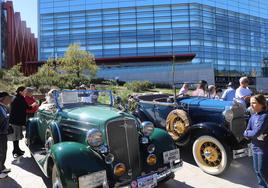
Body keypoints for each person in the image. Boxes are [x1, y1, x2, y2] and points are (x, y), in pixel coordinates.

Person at [243, 94, 268, 188]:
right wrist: (250, 134)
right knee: (257, 171)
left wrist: (251, 134)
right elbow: (246, 132)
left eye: (254, 103)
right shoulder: (253, 117)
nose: (251, 105)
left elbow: (255, 133)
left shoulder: (265, 117)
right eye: (250, 103)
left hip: (264, 149)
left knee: (263, 171)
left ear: (262, 104)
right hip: (254, 147)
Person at [9, 86, 38, 158]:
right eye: (25, 91)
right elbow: (28, 107)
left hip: (16, 120)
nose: (26, 92)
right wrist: (34, 104)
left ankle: (17, 150)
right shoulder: (19, 99)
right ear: (20, 92)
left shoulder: (18, 98)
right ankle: (15, 151)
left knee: (17, 136)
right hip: (15, 121)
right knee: (15, 137)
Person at [0, 92, 13, 178]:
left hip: (3, 133)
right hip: (0, 133)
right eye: (8, 98)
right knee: (0, 152)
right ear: (3, 99)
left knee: (3, 151)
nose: (10, 100)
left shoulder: (3, 107)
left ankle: (2, 167)